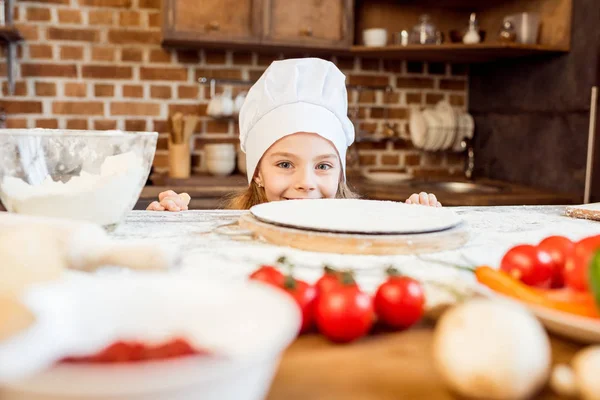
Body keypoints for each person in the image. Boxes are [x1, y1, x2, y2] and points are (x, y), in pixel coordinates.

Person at [147, 58, 440, 212]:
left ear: (340, 174)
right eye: (285, 164)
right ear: (257, 173)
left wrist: (417, 218)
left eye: (323, 166)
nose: (306, 184)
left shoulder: (358, 229)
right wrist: (171, 223)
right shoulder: (233, 228)